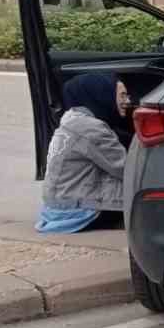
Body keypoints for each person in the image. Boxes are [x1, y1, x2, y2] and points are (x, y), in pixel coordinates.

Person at [37, 72, 128, 234]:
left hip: (57, 206)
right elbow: (125, 169)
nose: (127, 101)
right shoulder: (91, 128)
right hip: (77, 211)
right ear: (101, 95)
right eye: (122, 96)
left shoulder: (72, 119)